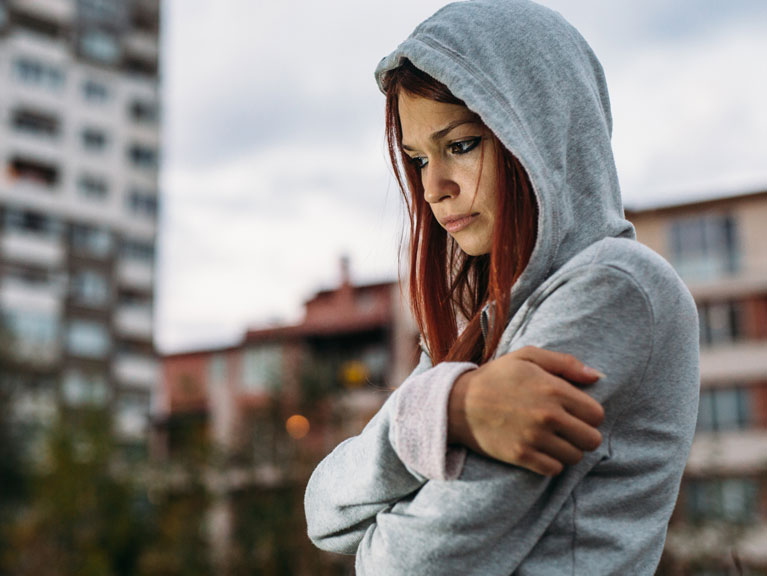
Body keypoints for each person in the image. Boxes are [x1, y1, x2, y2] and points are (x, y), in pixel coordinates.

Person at [304, 1, 700, 574]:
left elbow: (404, 565)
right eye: (417, 159)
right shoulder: (486, 321)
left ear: (539, 129)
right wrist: (452, 408)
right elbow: (323, 511)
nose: (434, 187)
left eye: (460, 145)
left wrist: (406, 471)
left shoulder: (616, 287)